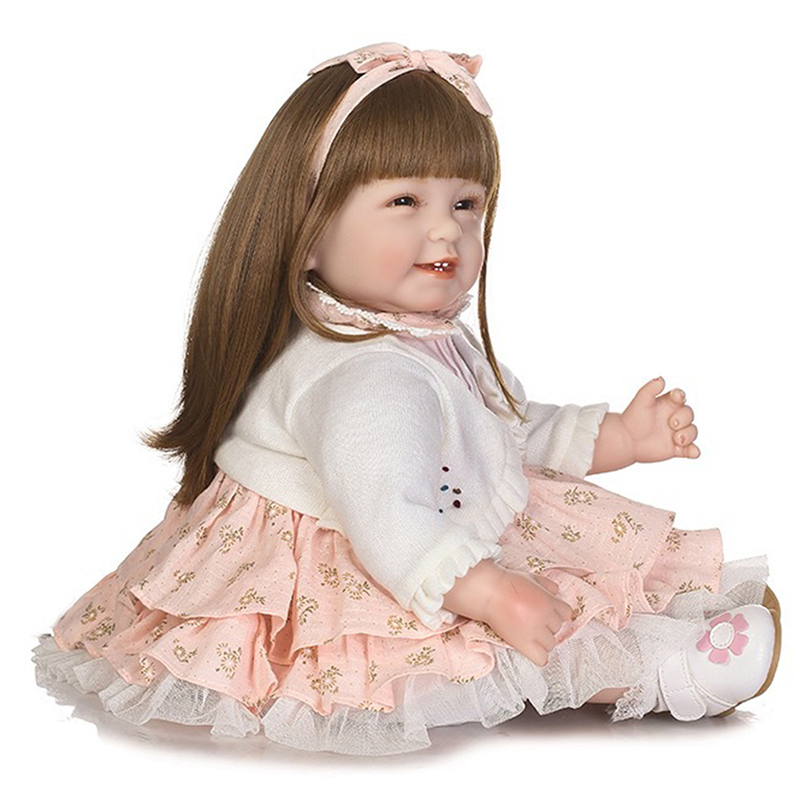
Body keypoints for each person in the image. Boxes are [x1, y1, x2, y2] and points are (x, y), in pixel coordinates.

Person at [32, 42, 781, 757]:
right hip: (369, 554)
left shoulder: (418, 338)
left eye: (466, 202)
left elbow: (498, 427)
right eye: (403, 199)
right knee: (489, 641)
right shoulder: (366, 379)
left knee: (548, 562)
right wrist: (489, 592)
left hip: (417, 522)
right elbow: (387, 515)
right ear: (308, 230)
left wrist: (617, 435)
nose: (445, 228)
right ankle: (664, 672)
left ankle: (670, 623)